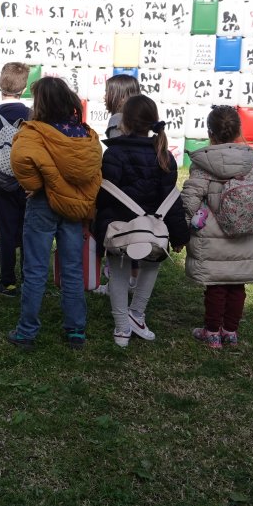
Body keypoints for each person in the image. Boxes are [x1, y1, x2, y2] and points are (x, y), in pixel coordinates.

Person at [4, 77, 102, 350]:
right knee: (72, 269)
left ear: (41, 104)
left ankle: (26, 332)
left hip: (43, 205)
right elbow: (93, 168)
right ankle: (76, 332)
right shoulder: (84, 134)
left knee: (35, 270)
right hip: (73, 207)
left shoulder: (35, 132)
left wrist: (36, 185)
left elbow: (22, 161)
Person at [93, 95, 190, 348]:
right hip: (153, 228)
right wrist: (180, 236)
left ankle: (122, 328)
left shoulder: (113, 153)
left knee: (118, 274)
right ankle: (137, 314)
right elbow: (171, 199)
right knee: (151, 266)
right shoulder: (164, 155)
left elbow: (104, 197)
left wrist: (97, 232)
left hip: (119, 228)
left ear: (123, 121)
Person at [181, 105, 253, 349]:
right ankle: (230, 331)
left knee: (216, 286)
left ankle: (211, 332)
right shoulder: (250, 162)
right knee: (237, 286)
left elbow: (190, 198)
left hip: (212, 235)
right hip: (246, 232)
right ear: (238, 130)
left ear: (210, 132)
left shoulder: (203, 163)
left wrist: (192, 222)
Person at [0, 62, 32, 297]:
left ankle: (8, 282)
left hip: (2, 185)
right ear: (24, 88)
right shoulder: (33, 116)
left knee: (7, 234)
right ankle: (29, 281)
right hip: (30, 185)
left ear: (0, 84)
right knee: (30, 233)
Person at [101, 73, 142, 292]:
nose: (104, 96)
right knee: (135, 233)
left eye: (108, 91)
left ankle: (119, 282)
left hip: (122, 186)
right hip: (141, 184)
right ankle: (133, 280)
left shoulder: (117, 119)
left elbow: (117, 155)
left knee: (118, 233)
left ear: (116, 94)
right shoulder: (140, 117)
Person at [103, 73, 140, 140]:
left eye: (107, 93)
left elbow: (115, 149)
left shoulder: (117, 119)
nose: (104, 97)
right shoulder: (142, 119)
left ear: (122, 97)